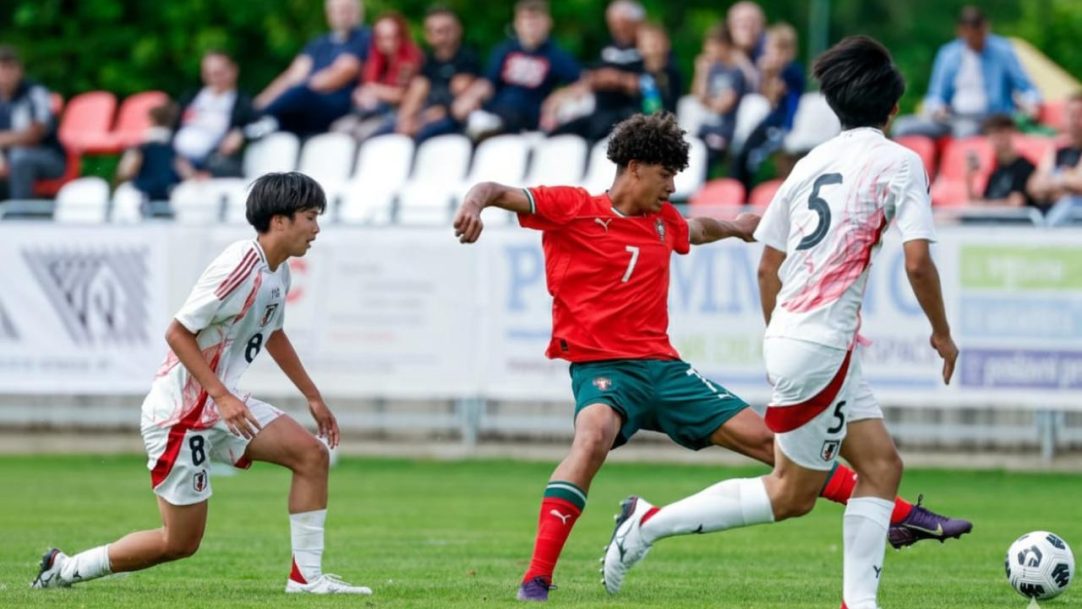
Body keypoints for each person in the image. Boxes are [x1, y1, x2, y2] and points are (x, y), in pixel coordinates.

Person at [451, 112, 970, 603]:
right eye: (665, 175)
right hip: (604, 369)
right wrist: (474, 205)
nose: (672, 187)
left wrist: (742, 226)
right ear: (633, 169)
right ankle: (537, 579)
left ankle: (902, 515)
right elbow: (495, 190)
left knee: (777, 446)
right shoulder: (571, 207)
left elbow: (698, 229)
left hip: (667, 372)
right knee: (592, 438)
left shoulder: (661, 223)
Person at [599, 38, 964, 609]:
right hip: (821, 344)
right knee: (791, 494)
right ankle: (647, 523)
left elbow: (769, 264)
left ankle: (858, 604)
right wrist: (941, 332)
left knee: (881, 465)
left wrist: (783, 334)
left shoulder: (809, 162)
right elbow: (917, 260)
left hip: (809, 337)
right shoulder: (900, 162)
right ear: (893, 110)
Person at [31, 172, 371, 596]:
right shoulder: (240, 264)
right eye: (310, 216)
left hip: (219, 406)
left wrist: (314, 398)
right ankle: (64, 568)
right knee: (179, 543)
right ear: (280, 220)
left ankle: (307, 579)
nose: (317, 228)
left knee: (311, 456)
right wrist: (222, 395)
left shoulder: (278, 272)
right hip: (179, 415)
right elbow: (177, 332)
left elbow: (274, 333)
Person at [892, 6, 1040, 139]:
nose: (974, 41)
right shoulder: (948, 54)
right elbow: (936, 95)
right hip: (952, 117)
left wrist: (1030, 104)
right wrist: (937, 108)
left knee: (965, 132)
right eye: (969, 36)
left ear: (986, 28)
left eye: (978, 35)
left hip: (988, 119)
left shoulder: (1003, 51)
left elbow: (1027, 89)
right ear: (961, 32)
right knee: (902, 126)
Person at [453, 0, 580, 138]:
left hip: (529, 116)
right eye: (526, 19)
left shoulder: (556, 55)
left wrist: (557, 98)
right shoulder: (505, 51)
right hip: (497, 107)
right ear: (517, 24)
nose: (531, 25)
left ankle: (486, 126)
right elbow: (488, 82)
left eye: (536, 19)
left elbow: (582, 82)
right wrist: (469, 97)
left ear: (548, 23)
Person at [254, 0, 370, 136]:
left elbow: (340, 75)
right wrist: (260, 102)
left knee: (299, 93)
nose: (342, 15)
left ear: (359, 12)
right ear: (329, 14)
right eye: (337, 10)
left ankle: (256, 120)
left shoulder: (364, 39)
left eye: (347, 9)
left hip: (337, 105)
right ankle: (256, 118)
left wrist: (302, 86)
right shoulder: (319, 43)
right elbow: (293, 75)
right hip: (306, 103)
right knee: (277, 114)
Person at [546, 0, 645, 141]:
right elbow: (590, 77)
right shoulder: (608, 48)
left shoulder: (647, 49)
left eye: (622, 22)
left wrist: (617, 79)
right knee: (558, 134)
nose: (617, 27)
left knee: (599, 133)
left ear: (635, 23)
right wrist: (562, 95)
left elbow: (652, 83)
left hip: (629, 112)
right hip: (600, 111)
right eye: (613, 22)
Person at [730, 23, 805, 191]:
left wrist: (770, 74)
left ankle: (746, 190)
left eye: (773, 50)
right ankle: (738, 190)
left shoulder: (792, 71)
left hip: (781, 125)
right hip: (770, 122)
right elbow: (769, 100)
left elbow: (776, 94)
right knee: (742, 153)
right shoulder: (780, 72)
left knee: (753, 158)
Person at [332, 12, 423, 141]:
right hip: (371, 113)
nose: (387, 43)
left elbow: (403, 95)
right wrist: (361, 94)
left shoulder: (409, 61)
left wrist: (374, 90)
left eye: (392, 37)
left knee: (363, 132)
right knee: (339, 128)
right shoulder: (375, 62)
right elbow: (365, 88)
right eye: (382, 38)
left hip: (396, 116)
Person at [395, 7, 481, 142]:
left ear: (458, 29)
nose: (443, 36)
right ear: (429, 35)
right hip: (424, 115)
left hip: (453, 120)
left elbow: (461, 96)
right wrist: (407, 119)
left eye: (448, 29)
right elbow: (417, 91)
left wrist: (437, 112)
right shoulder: (428, 62)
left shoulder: (467, 58)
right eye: (438, 31)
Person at [174, 50, 257, 179]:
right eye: (209, 74)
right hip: (178, 159)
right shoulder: (191, 97)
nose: (214, 78)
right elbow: (171, 127)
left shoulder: (242, 102)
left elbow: (264, 124)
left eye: (219, 73)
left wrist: (242, 134)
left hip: (214, 161)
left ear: (233, 71)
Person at [0, 45, 65, 200]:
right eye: (2, 68)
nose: (6, 74)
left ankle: (20, 218)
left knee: (20, 158)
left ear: (20, 70)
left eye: (10, 68)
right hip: (7, 156)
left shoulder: (36, 93)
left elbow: (35, 134)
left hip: (48, 157)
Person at [693, 23, 748, 167]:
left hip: (724, 132)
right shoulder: (713, 70)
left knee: (705, 158)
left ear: (725, 46)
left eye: (712, 46)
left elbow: (723, 106)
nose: (708, 51)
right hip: (704, 129)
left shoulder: (736, 73)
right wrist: (702, 73)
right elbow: (699, 98)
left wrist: (709, 102)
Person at [1028, 91, 1082, 225]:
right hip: (1051, 212)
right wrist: (1065, 179)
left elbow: (1079, 183)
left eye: (1079, 115)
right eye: (1071, 115)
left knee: (1069, 204)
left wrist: (1055, 181)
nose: (1074, 121)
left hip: (1073, 216)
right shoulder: (1056, 150)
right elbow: (1034, 187)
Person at [966, 114, 1036, 208]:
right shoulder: (995, 168)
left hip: (1011, 221)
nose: (995, 139)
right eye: (991, 134)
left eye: (999, 133)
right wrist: (969, 178)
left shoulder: (1025, 167)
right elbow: (979, 202)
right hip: (992, 219)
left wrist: (983, 206)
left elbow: (1016, 203)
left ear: (1010, 133)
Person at [116, 102, 182, 201]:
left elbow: (126, 172)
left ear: (152, 120)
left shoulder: (140, 148)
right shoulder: (176, 147)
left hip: (143, 193)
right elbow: (183, 169)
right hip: (167, 194)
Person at [636, 23, 681, 114]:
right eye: (650, 42)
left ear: (667, 44)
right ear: (640, 47)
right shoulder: (634, 72)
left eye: (657, 41)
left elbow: (673, 102)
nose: (654, 45)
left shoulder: (672, 74)